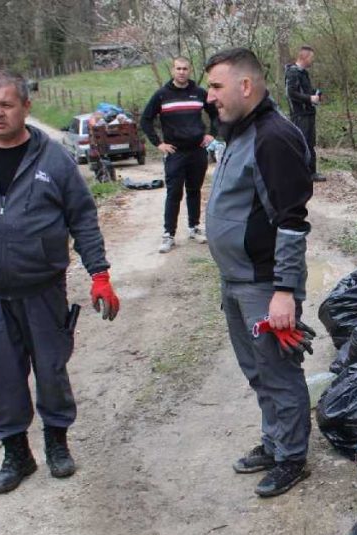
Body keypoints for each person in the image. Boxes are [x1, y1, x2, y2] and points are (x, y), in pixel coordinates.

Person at [0, 68, 121, 494]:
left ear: (25, 106)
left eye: (7, 104)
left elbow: (83, 219)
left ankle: (57, 443)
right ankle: (16, 454)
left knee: (51, 371)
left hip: (44, 290)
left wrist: (100, 276)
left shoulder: (53, 158)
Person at [204, 47, 314, 497]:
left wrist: (284, 291)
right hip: (237, 280)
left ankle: (292, 459)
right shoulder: (239, 131)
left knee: (278, 372)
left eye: (216, 86)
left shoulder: (273, 137)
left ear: (245, 86)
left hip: (265, 285)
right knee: (257, 370)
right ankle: (274, 443)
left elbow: (291, 221)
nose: (209, 96)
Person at [141, 56, 219, 253]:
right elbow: (145, 119)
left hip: (197, 151)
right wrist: (158, 144)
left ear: (190, 70)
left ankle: (194, 228)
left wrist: (211, 134)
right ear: (173, 71)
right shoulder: (162, 95)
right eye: (178, 68)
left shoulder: (200, 93)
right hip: (175, 152)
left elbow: (216, 114)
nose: (182, 72)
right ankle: (169, 234)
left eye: (185, 68)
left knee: (194, 191)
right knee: (174, 193)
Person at [284, 46, 325, 182]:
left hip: (309, 113)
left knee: (310, 143)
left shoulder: (303, 73)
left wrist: (316, 95)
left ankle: (311, 173)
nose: (312, 61)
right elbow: (291, 93)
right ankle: (300, 174)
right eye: (311, 58)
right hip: (299, 115)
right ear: (304, 57)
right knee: (302, 144)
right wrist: (309, 98)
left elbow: (306, 90)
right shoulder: (292, 73)